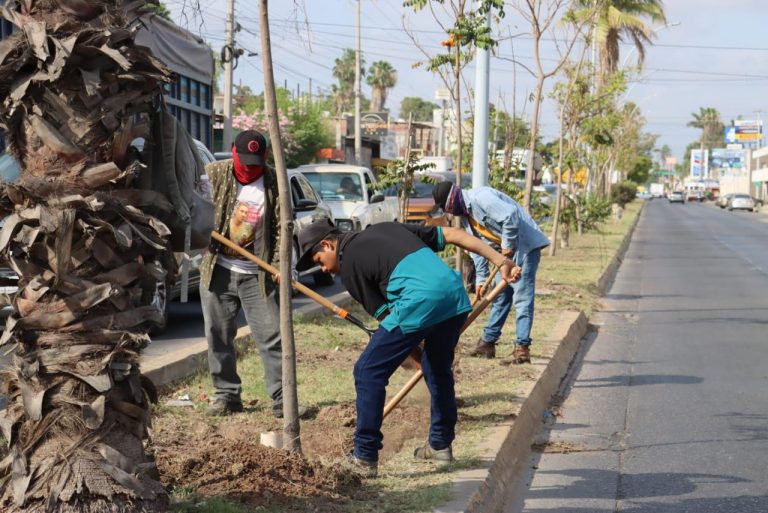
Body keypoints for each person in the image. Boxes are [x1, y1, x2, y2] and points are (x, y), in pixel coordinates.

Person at [295, 219, 520, 476]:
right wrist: (501, 262)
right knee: (437, 369)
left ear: (328, 244)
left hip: (419, 300)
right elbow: (454, 234)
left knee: (367, 371)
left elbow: (388, 318)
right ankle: (439, 444)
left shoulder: (350, 268)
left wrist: (415, 354)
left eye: (318, 259)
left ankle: (364, 456)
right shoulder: (388, 227)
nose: (322, 269)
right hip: (453, 294)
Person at [198, 130, 285, 418]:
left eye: (255, 163)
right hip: (219, 269)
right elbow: (195, 210)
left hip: (257, 275)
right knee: (218, 334)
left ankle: (282, 398)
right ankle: (226, 396)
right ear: (233, 153)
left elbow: (282, 228)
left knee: (272, 335)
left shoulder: (274, 182)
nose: (249, 168)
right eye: (244, 161)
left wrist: (281, 265)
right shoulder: (213, 175)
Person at [432, 182, 550, 364]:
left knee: (522, 296)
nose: (448, 212)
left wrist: (507, 245)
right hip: (503, 255)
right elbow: (478, 250)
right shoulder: (466, 217)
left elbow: (511, 216)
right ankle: (487, 343)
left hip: (523, 247)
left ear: (451, 200)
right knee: (500, 297)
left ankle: (522, 349)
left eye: (445, 207)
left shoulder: (481, 197)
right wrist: (481, 280)